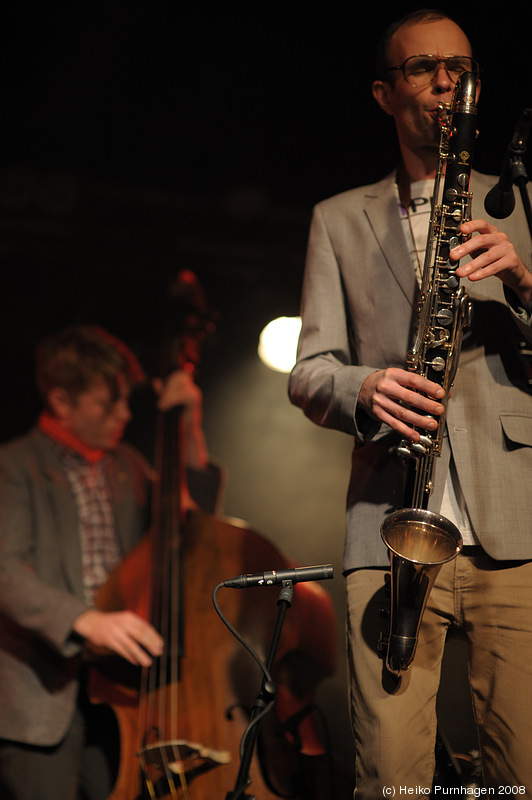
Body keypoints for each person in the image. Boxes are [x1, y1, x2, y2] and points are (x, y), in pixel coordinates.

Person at [288, 8, 532, 796]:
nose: (445, 81)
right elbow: (309, 370)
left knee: (518, 775)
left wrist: (525, 280)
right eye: (424, 67)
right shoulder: (337, 218)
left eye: (459, 67)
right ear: (385, 94)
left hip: (516, 528)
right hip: (388, 527)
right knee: (391, 780)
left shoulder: (523, 206)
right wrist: (366, 386)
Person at [0, 324, 221, 800]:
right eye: (108, 403)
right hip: (39, 694)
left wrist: (190, 424)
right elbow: (5, 572)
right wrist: (85, 619)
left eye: (125, 400)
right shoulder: (13, 466)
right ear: (61, 402)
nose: (124, 412)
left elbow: (195, 533)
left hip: (121, 691)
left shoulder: (127, 464)